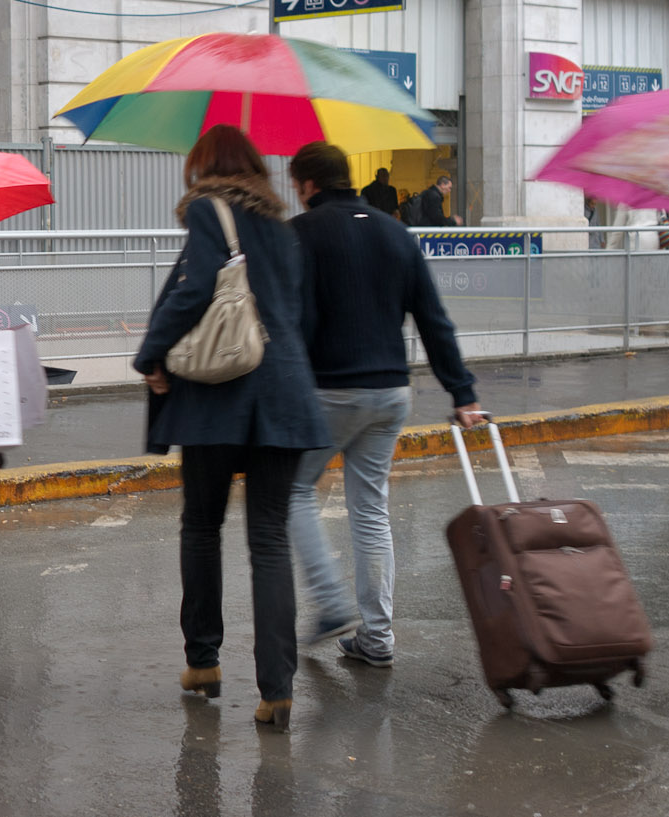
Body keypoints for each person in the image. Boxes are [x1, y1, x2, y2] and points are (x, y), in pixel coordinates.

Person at [131, 124, 328, 731]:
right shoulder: (285, 229)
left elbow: (193, 294)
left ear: (203, 166)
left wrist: (151, 355)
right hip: (286, 396)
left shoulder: (210, 214)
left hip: (219, 397)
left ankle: (203, 660)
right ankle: (277, 690)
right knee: (268, 541)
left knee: (202, 527)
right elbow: (307, 315)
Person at [283, 142, 482, 667]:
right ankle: (377, 638)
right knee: (370, 511)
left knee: (292, 490)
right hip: (391, 391)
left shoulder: (301, 233)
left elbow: (293, 320)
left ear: (307, 184)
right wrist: (462, 392)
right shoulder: (396, 233)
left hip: (330, 390)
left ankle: (330, 604)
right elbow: (434, 319)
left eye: (294, 184)